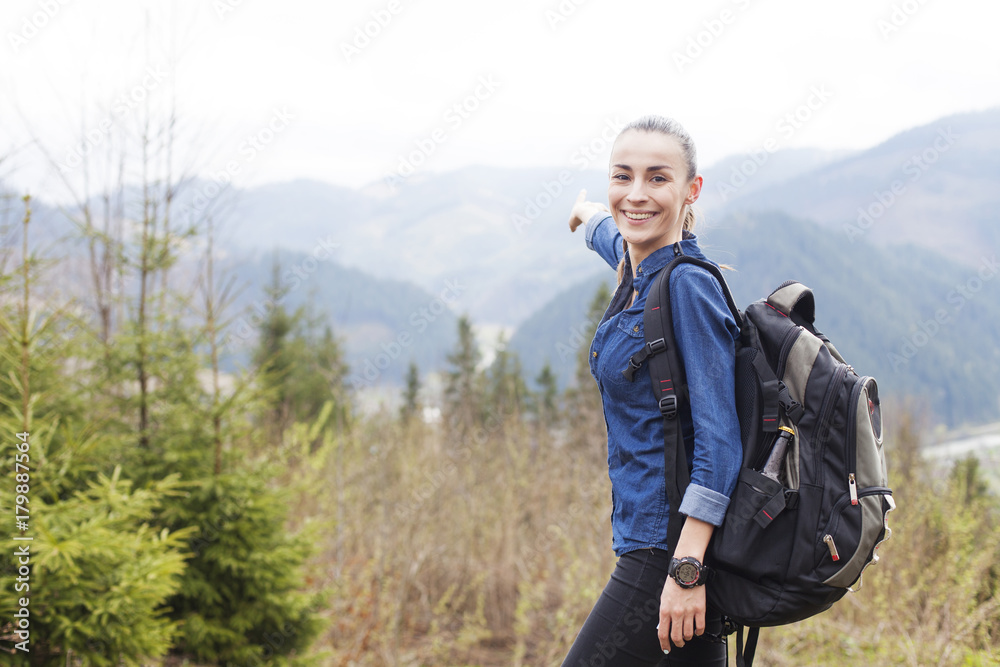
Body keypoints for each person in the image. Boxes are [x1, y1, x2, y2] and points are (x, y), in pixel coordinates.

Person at [561, 116, 742, 666]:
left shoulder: (686, 286)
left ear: (691, 190)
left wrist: (687, 571)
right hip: (662, 546)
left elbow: (721, 440)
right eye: (623, 176)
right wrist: (588, 213)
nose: (636, 195)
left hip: (666, 549)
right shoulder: (640, 270)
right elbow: (617, 233)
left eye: (657, 179)